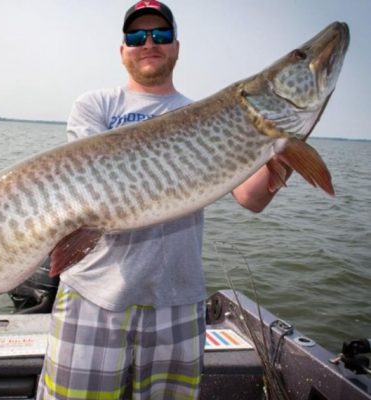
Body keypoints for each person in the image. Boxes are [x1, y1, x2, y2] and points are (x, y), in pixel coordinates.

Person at [36, 1, 289, 399]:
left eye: (161, 34)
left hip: (178, 302)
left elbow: (251, 197)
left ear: (176, 46)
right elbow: (91, 187)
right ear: (123, 51)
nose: (149, 42)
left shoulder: (205, 115)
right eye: (136, 36)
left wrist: (285, 146)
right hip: (93, 295)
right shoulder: (96, 106)